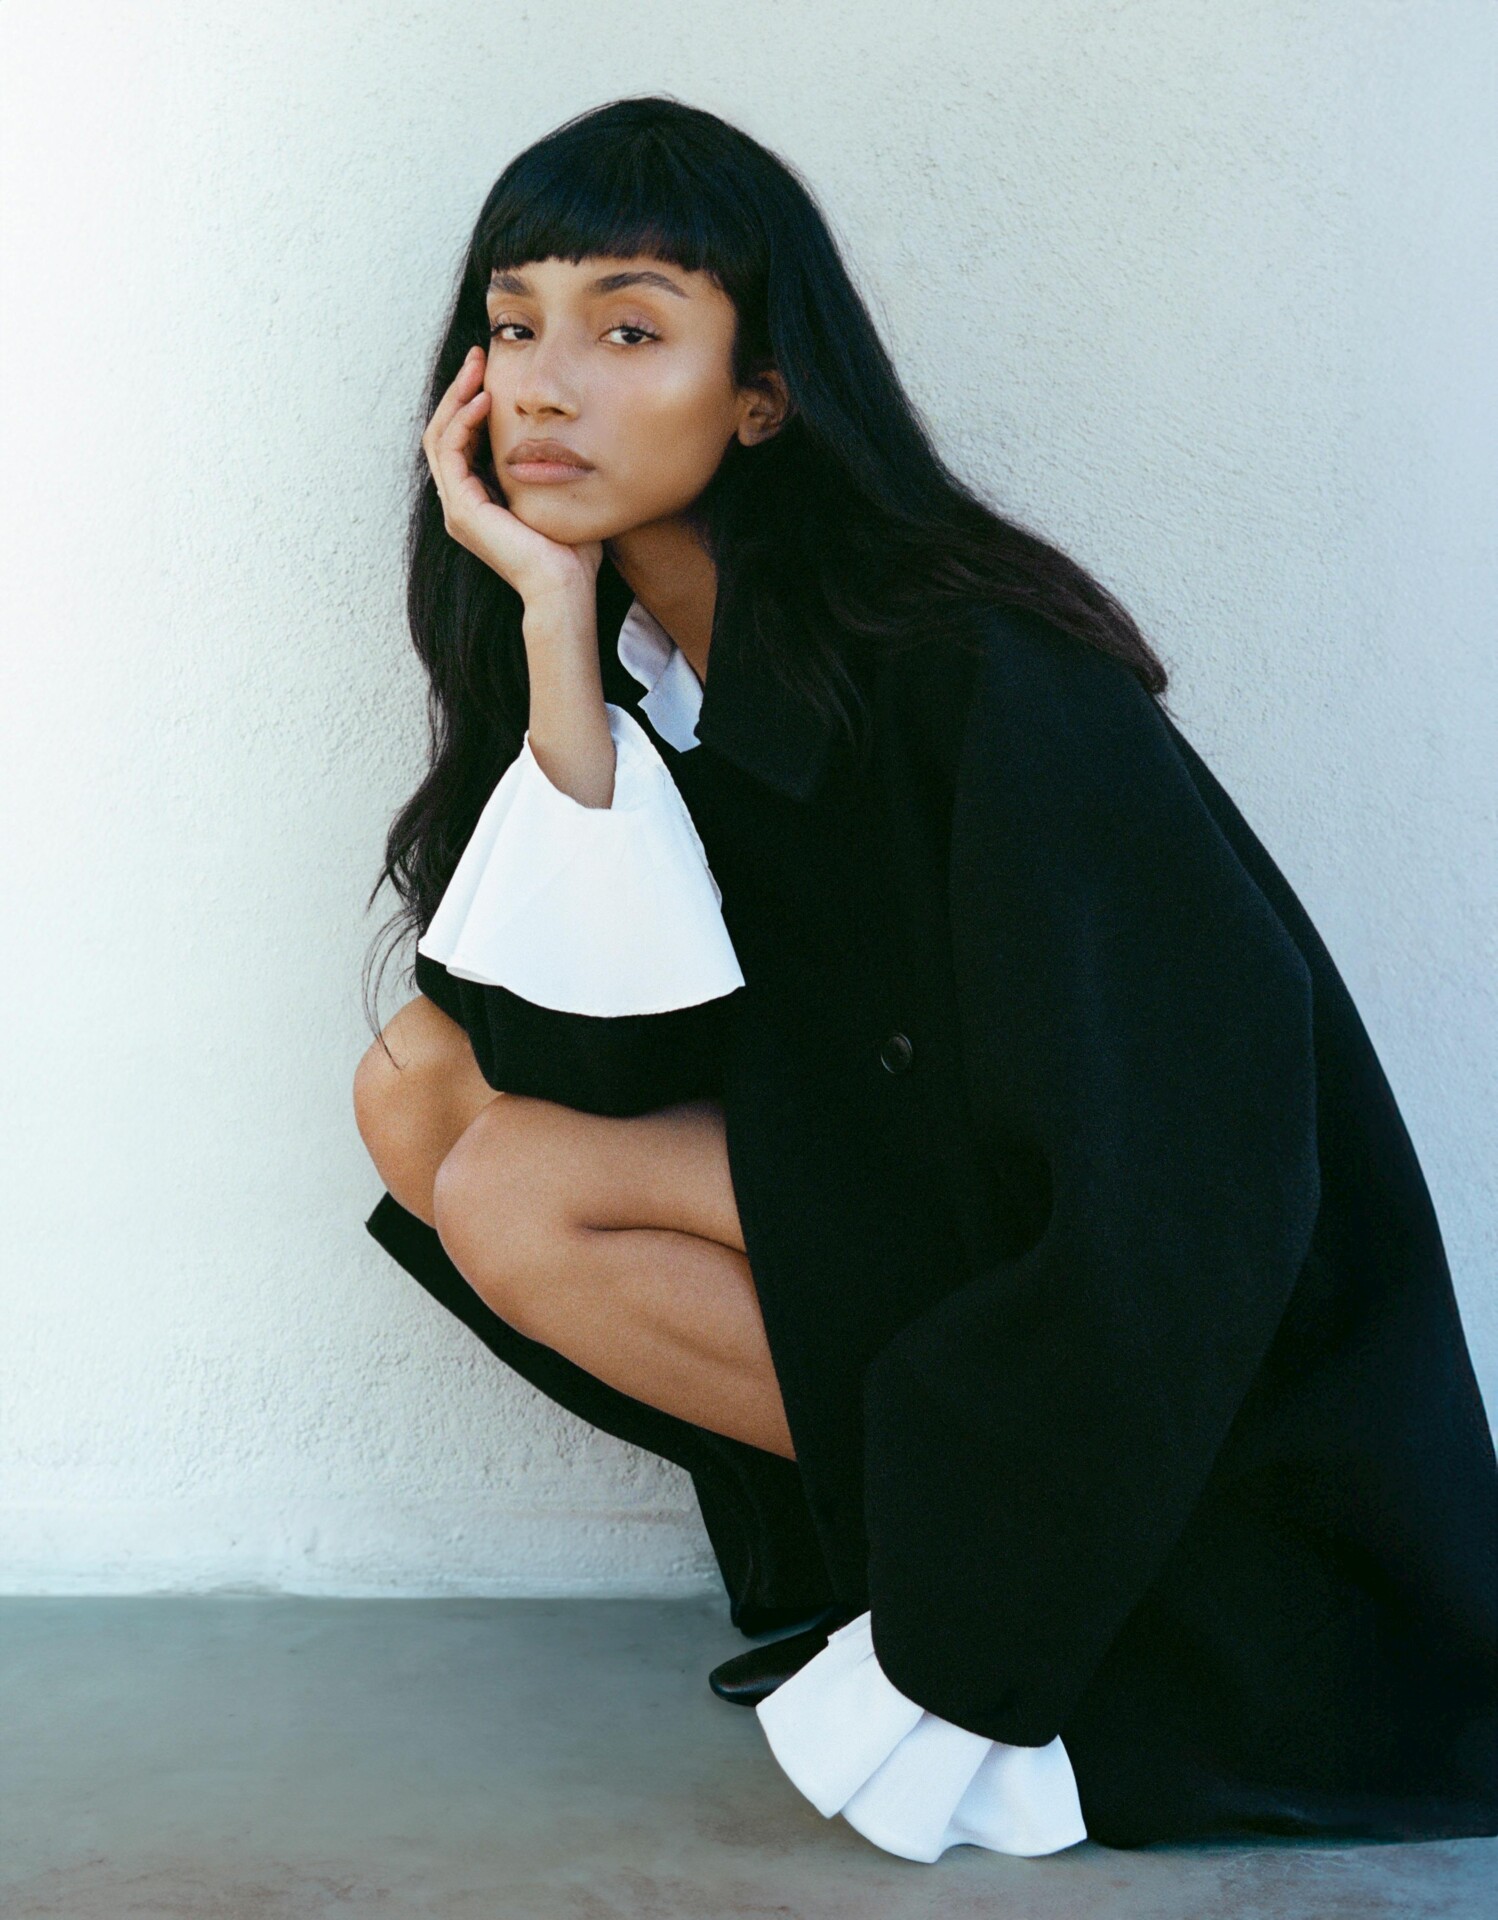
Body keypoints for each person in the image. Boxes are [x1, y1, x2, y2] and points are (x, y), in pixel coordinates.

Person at [352, 96, 1498, 1862]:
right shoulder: (631, 656)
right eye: (513, 325)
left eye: (629, 327)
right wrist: (551, 626)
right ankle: (900, 1548)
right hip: (936, 1217)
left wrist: (994, 1633)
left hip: (1182, 1374)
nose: (545, 384)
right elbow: (572, 1053)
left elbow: (1193, 1162)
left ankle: (1016, 1577)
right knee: (423, 1087)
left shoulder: (972, 665)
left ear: (765, 393)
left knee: (517, 1183)